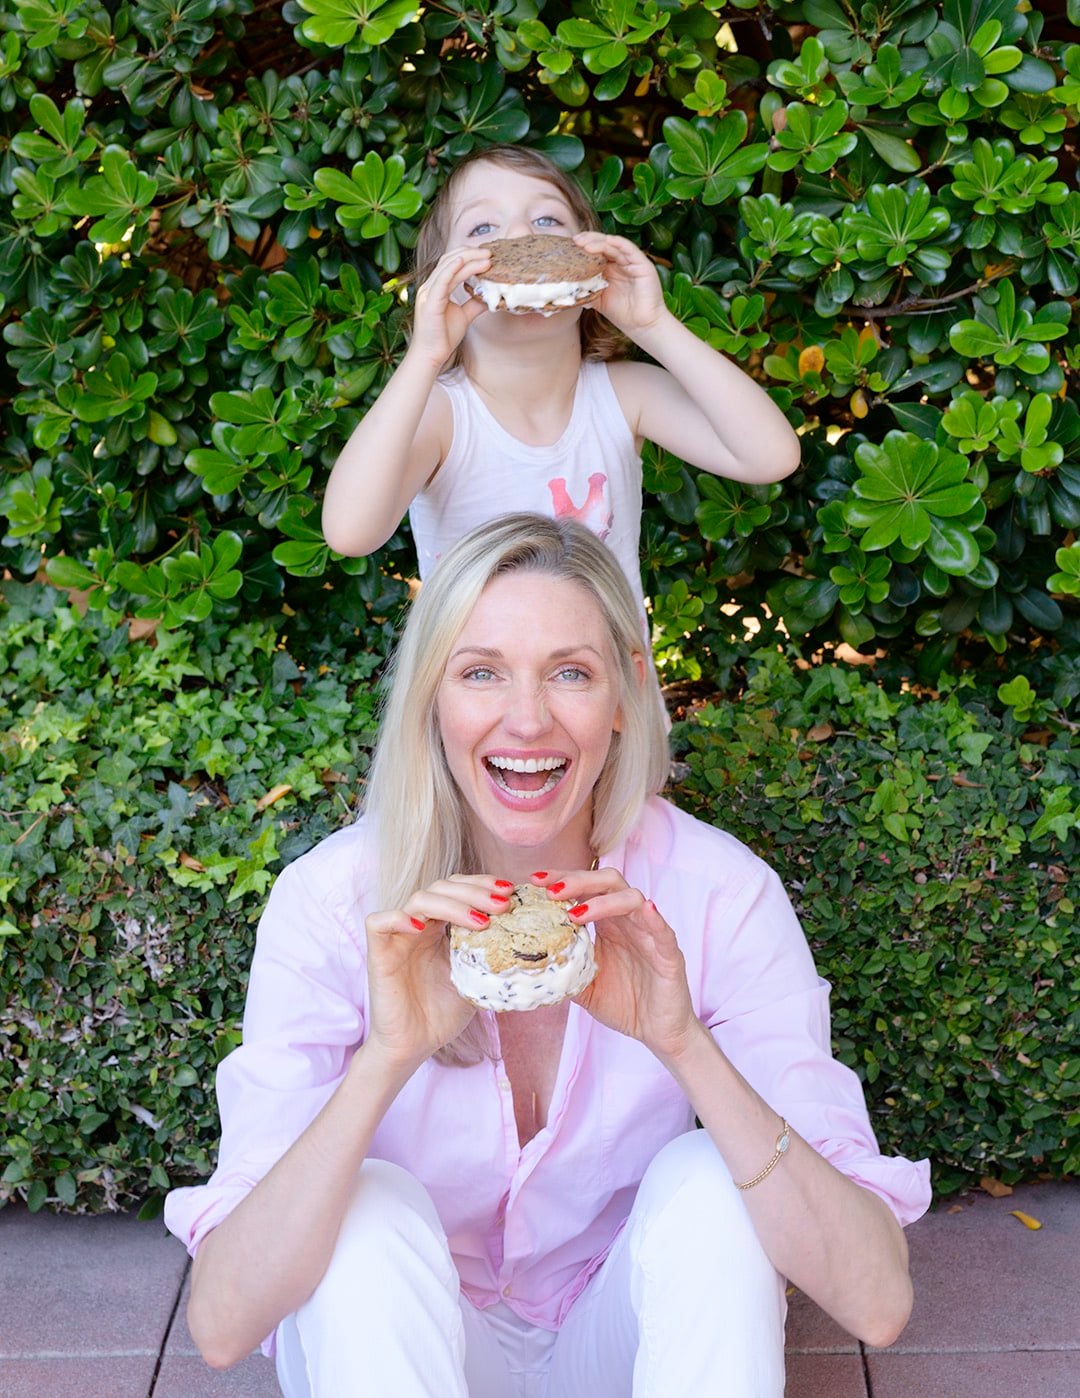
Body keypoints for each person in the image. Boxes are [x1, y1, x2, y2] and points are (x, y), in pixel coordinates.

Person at [165, 514, 930, 1397]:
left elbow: (876, 1302)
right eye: (480, 672)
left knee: (713, 1181)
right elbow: (223, 1323)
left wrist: (683, 1044)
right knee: (359, 1207)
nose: (526, 720)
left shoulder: (718, 892)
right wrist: (387, 1058)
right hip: (417, 1348)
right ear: (431, 696)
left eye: (570, 673)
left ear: (626, 694)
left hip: (611, 1342)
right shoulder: (335, 901)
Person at [320, 144, 801, 619]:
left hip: (606, 669)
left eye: (547, 220)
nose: (521, 238)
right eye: (482, 228)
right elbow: (349, 532)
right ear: (445, 280)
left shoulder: (625, 395)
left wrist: (653, 325)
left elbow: (770, 457)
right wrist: (425, 357)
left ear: (590, 259)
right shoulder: (442, 416)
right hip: (477, 670)